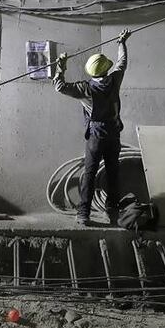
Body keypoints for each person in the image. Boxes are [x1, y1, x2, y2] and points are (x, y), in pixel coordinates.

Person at [53, 29, 131, 226]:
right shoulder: (114, 80)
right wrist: (121, 42)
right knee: (113, 174)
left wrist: (60, 66)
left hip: (95, 137)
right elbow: (122, 62)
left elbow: (59, 86)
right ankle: (112, 213)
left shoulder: (84, 89)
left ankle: (84, 214)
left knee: (89, 174)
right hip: (113, 135)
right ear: (105, 69)